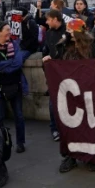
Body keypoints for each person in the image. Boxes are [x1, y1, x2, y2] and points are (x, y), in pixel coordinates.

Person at [55, 18, 95, 173]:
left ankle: (91, 156)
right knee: (69, 126)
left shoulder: (91, 46)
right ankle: (70, 156)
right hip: (69, 91)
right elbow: (57, 63)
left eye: (71, 30)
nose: (69, 33)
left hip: (87, 90)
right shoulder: (63, 44)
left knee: (88, 124)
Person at [0, 21, 28, 153]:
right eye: (7, 30)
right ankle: (0, 143)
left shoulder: (15, 44)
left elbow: (18, 63)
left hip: (16, 85)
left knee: (19, 116)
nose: (10, 32)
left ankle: (20, 142)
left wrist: (3, 67)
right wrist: (9, 64)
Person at [42, 9, 69, 142]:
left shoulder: (67, 32)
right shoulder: (48, 33)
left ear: (54, 19)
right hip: (52, 73)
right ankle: (54, 128)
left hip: (66, 72)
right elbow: (46, 49)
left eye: (48, 19)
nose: (46, 22)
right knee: (53, 102)